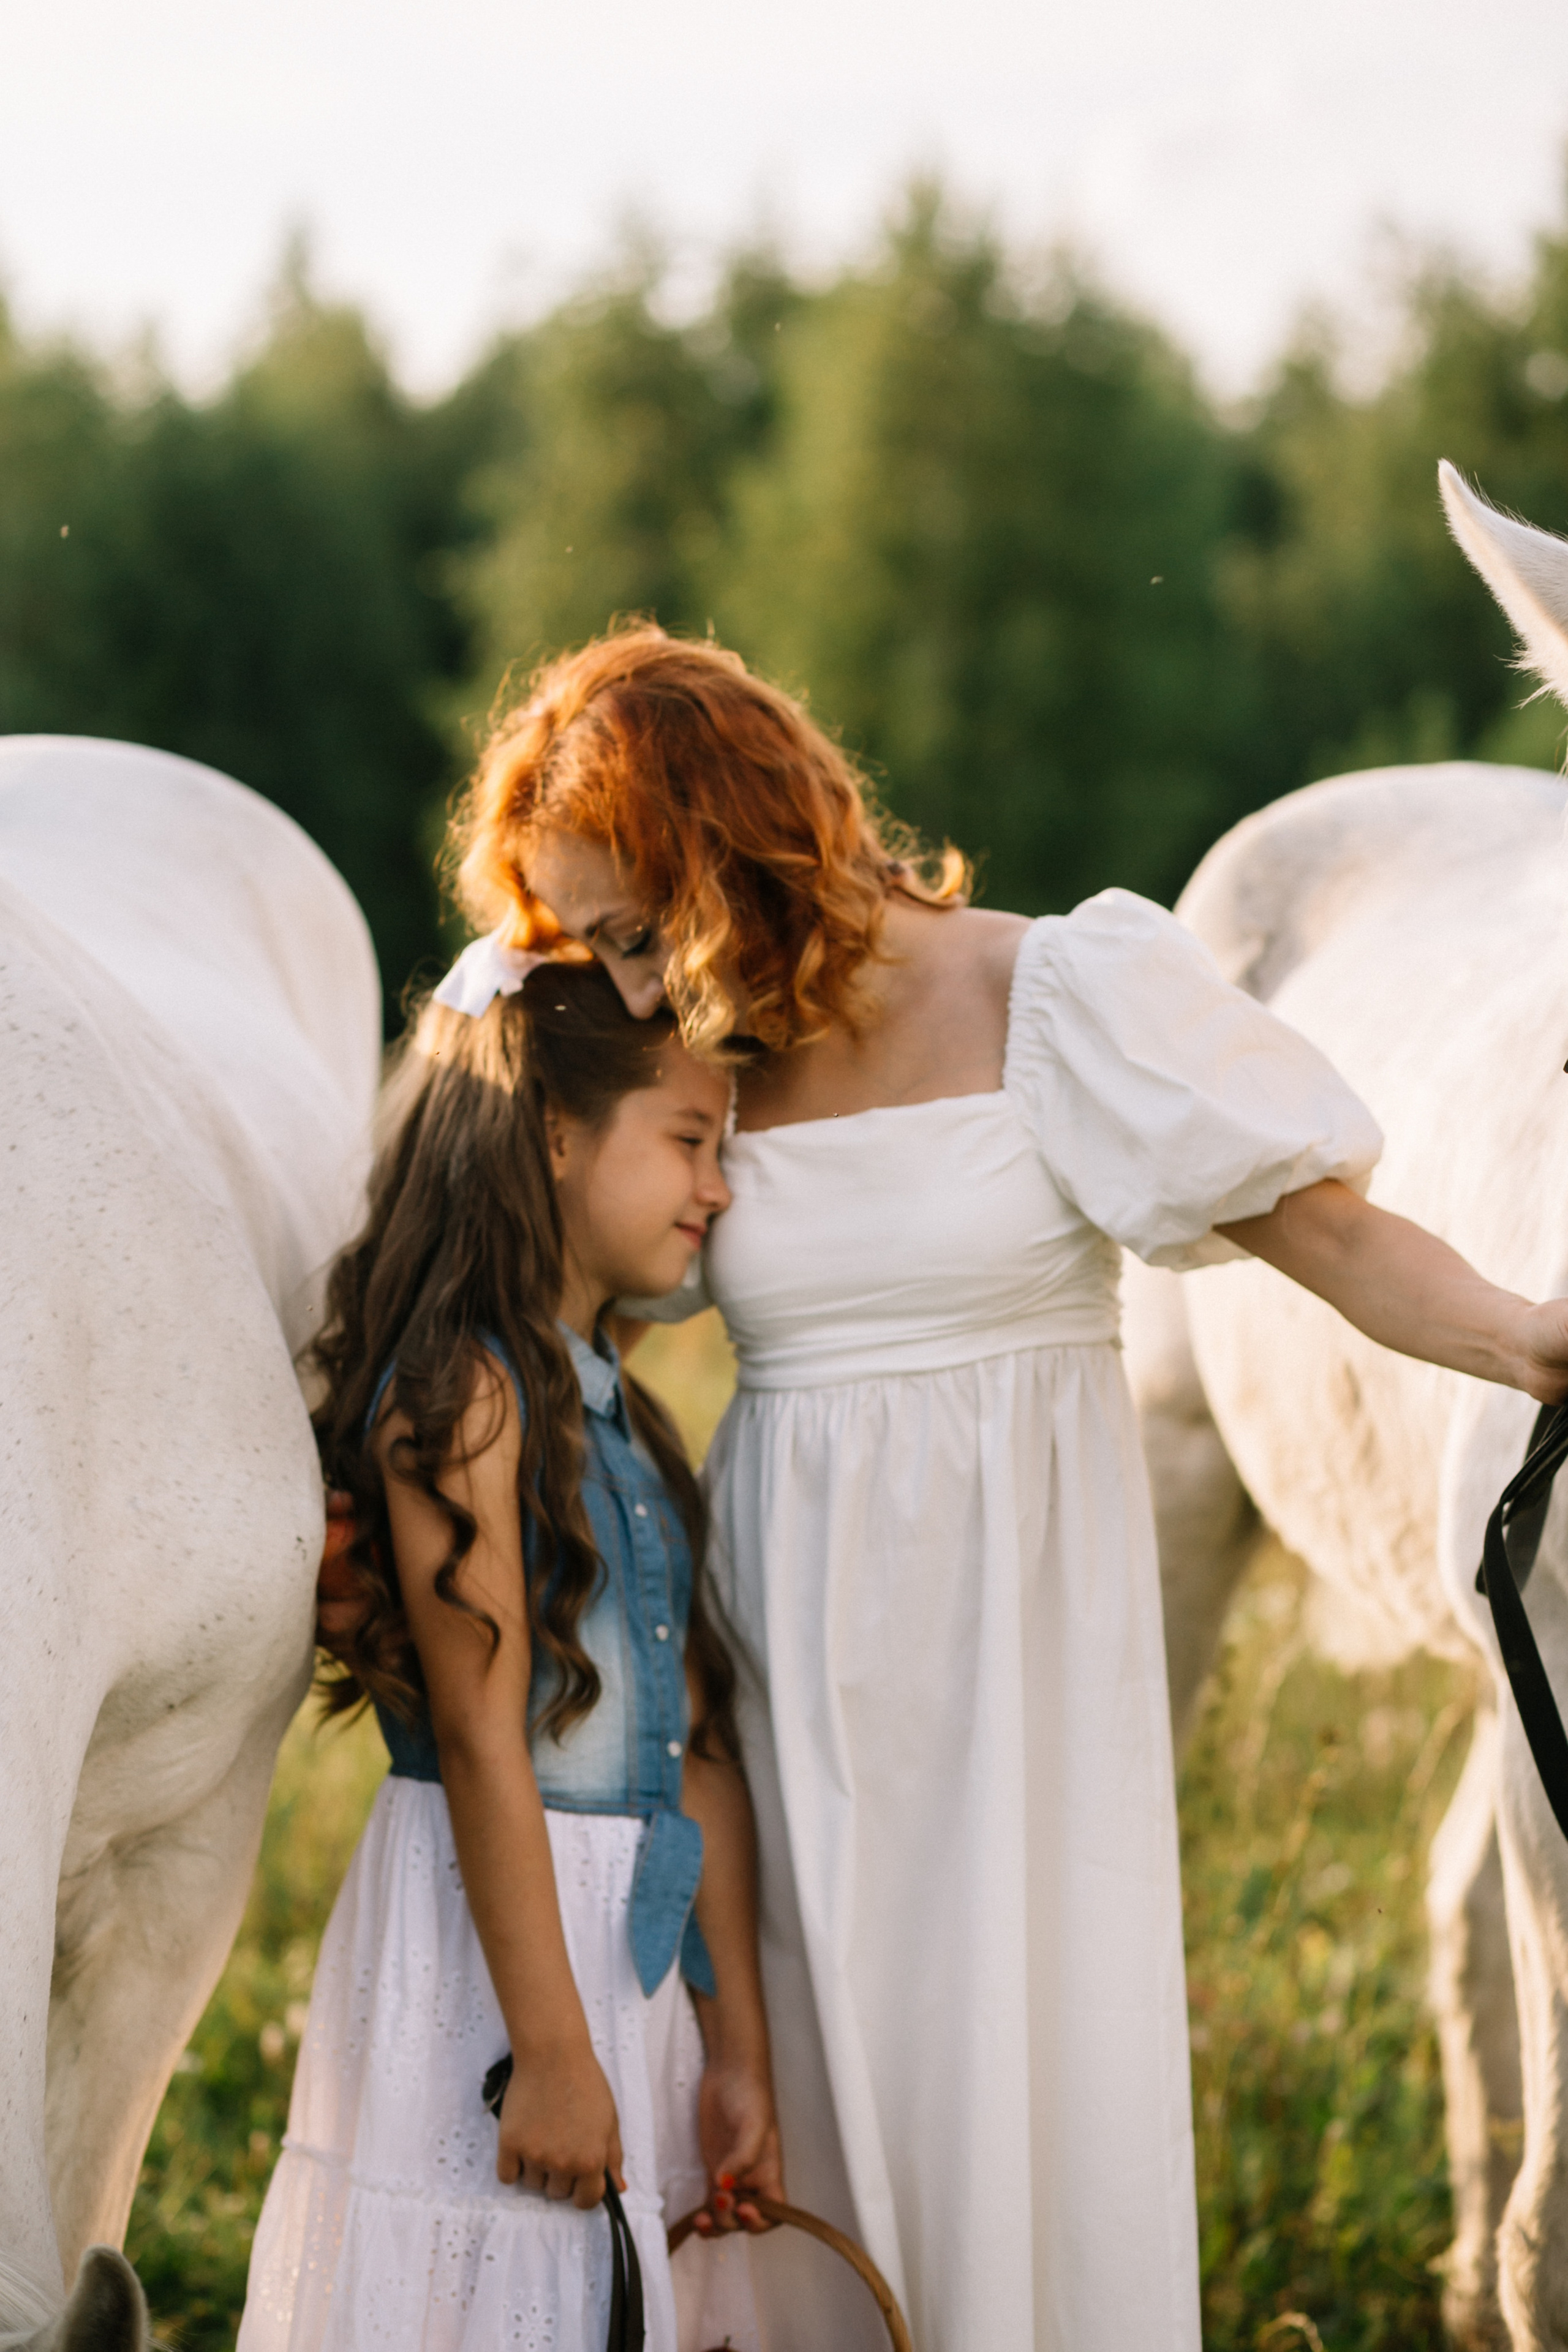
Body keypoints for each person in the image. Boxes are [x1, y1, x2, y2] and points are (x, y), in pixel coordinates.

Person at [379, 627, 1568, 2352]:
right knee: (813, 2111)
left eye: (637, 931)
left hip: (1026, 1672)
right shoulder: (695, 1073)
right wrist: (500, 997)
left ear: (731, 849)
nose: (629, 988)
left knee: (1022, 2099)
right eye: (593, 948)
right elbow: (482, 1244)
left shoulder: (1060, 991)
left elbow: (1329, 1237)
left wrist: (1533, 1340)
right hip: (794, 1666)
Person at [244, 960, 778, 2352]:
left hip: (634, 1969)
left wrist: (736, 2059)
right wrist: (546, 2051)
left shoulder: (633, 1425)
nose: (715, 1191)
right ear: (552, 1133)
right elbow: (486, 1741)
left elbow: (699, 1756)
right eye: (687, 1140)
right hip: (500, 1968)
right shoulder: (465, 1395)